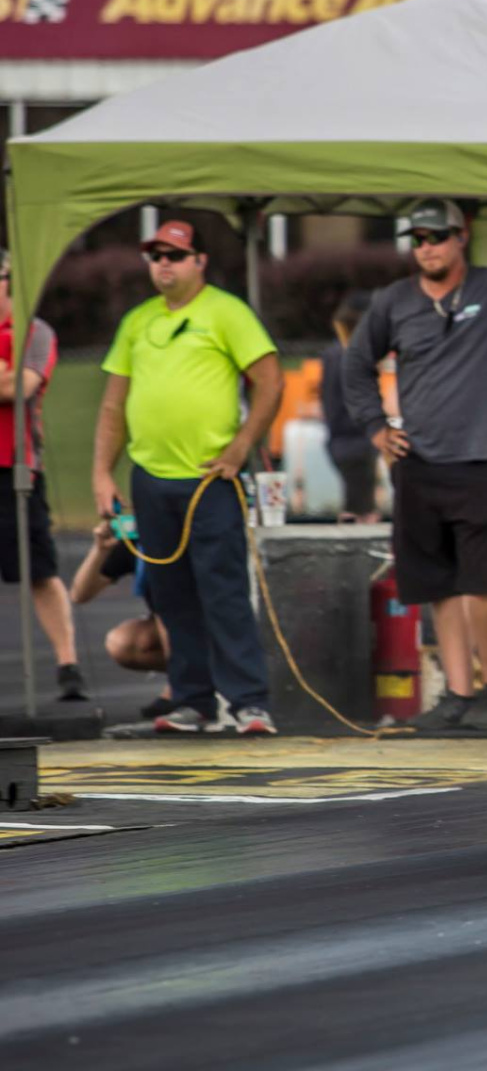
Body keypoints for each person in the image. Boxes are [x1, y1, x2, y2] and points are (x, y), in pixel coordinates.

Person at [343, 200, 487, 731]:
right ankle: (457, 692)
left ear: (461, 237)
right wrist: (377, 429)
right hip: (419, 462)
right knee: (438, 585)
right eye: (418, 238)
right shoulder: (394, 301)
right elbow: (356, 365)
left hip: (483, 459)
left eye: (436, 236)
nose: (426, 246)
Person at [92, 220, 284, 735]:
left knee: (222, 590)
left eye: (175, 255)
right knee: (170, 593)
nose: (165, 264)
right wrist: (101, 475)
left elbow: (268, 380)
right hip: (151, 477)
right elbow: (113, 403)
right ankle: (192, 698)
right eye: (156, 256)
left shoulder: (225, 312)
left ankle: (248, 701)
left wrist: (240, 447)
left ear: (199, 260)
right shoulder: (137, 321)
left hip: (207, 479)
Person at [1, 248, 87, 701]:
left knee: (39, 569)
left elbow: (24, 386)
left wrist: (10, 379)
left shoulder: (32, 332)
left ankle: (67, 663)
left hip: (17, 468)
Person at [70, 520, 175, 720]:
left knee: (170, 606)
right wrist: (100, 550)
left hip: (206, 624)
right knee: (123, 643)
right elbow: (79, 594)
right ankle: (194, 680)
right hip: (182, 629)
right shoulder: (139, 539)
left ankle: (181, 691)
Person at [320, 292, 379, 521]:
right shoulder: (351, 356)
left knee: (355, 505)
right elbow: (354, 403)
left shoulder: (334, 354)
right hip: (356, 441)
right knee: (361, 512)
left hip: (343, 441)